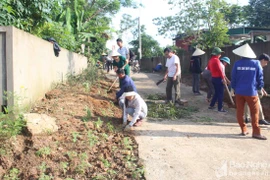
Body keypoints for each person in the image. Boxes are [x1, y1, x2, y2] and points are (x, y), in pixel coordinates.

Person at [231, 43, 266, 140]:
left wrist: (233, 88)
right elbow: (260, 78)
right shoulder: (256, 63)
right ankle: (256, 133)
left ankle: (243, 129)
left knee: (240, 111)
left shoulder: (237, 64)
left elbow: (233, 78)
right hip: (251, 92)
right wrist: (260, 88)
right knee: (254, 112)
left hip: (239, 92)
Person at [244, 53, 270, 125]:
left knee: (247, 102)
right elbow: (258, 80)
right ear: (262, 60)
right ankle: (260, 119)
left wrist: (262, 89)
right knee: (256, 102)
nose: (266, 64)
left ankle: (247, 117)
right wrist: (260, 89)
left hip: (247, 87)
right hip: (253, 88)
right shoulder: (258, 66)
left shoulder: (253, 64)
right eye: (266, 62)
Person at [207, 47, 227, 112]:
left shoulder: (210, 60)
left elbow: (208, 68)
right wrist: (223, 78)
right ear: (217, 54)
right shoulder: (216, 60)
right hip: (218, 78)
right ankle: (220, 108)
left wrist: (214, 71)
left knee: (216, 93)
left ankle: (211, 105)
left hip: (213, 78)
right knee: (220, 93)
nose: (220, 55)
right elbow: (220, 70)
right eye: (220, 53)